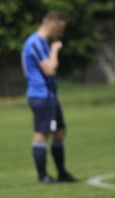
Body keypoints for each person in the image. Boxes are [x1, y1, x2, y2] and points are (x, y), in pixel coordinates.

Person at [22, 10, 79, 184]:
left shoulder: (41, 43)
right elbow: (50, 69)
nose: (60, 35)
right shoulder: (36, 43)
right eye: (60, 30)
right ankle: (43, 176)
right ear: (52, 26)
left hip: (50, 96)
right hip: (41, 96)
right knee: (42, 134)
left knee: (59, 132)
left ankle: (62, 173)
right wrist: (55, 50)